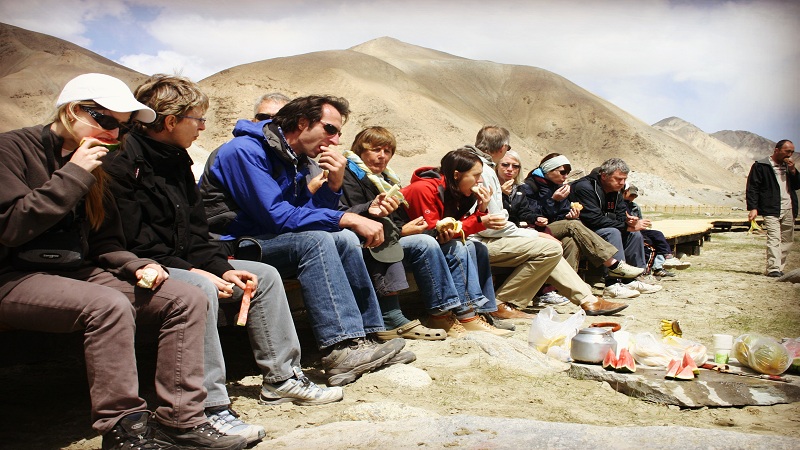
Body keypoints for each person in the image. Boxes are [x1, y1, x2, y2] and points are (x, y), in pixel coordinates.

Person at [0, 73, 245, 450]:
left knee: (186, 297)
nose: (115, 135)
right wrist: (75, 173)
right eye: (107, 121)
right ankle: (124, 429)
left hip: (77, 270)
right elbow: (12, 228)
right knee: (109, 305)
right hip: (16, 274)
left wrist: (136, 265)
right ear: (73, 110)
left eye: (122, 126)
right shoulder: (12, 150)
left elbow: (105, 239)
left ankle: (182, 420)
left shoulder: (96, 158)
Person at [104, 75, 343, 444]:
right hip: (135, 265)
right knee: (198, 288)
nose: (203, 127)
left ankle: (283, 377)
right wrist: (199, 271)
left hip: (177, 260)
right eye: (197, 119)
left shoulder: (175, 161)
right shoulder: (122, 164)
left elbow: (197, 234)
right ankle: (208, 408)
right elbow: (137, 243)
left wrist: (223, 268)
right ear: (171, 122)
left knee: (259, 276)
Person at [199, 95, 409, 387]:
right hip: (231, 245)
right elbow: (277, 216)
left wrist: (333, 185)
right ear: (301, 123)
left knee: (345, 239)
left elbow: (303, 213)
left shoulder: (292, 159)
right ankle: (340, 349)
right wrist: (345, 217)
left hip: (265, 238)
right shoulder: (244, 151)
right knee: (318, 240)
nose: (335, 140)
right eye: (330, 129)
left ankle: (367, 337)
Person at [404, 146, 629, 317]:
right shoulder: (431, 189)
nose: (480, 180)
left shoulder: (470, 190)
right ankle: (504, 302)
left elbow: (467, 223)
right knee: (551, 245)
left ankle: (587, 298)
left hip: (483, 237)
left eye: (515, 167)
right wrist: (487, 215)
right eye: (476, 175)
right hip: (472, 241)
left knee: (556, 243)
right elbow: (443, 230)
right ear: (456, 174)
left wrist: (482, 211)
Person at [340, 126, 509, 338]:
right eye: (375, 150)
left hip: (392, 237)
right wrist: (403, 230)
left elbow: (407, 220)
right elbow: (356, 215)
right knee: (433, 244)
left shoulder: (386, 179)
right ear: (360, 150)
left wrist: (480, 210)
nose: (382, 156)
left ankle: (479, 311)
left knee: (475, 247)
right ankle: (446, 314)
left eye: (387, 151)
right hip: (370, 241)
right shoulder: (351, 176)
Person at [499, 151, 642, 305]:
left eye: (515, 166)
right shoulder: (530, 186)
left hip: (548, 227)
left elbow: (557, 213)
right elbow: (528, 214)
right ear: (549, 170)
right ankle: (613, 264)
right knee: (577, 226)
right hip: (528, 229)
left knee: (571, 240)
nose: (566, 176)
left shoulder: (557, 186)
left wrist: (569, 214)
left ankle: (558, 290)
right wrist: (553, 200)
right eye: (562, 172)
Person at [569, 158, 662, 299]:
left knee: (634, 234)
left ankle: (632, 279)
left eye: (624, 179)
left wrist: (628, 222)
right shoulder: (585, 187)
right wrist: (625, 226)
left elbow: (619, 215)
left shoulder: (616, 190)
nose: (622, 183)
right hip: (584, 231)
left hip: (601, 228)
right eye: (618, 179)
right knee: (613, 232)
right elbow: (593, 220)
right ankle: (613, 284)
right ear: (604, 176)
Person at [746, 139, 799, 277]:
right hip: (771, 208)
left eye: (792, 152)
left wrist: (793, 170)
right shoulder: (761, 165)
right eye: (787, 151)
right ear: (777, 150)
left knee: (787, 239)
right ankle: (773, 269)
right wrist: (753, 208)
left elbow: (797, 185)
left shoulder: (789, 167)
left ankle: (779, 267)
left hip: (789, 207)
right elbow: (753, 187)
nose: (789, 155)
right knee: (774, 238)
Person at [622, 184, 690, 277]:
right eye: (631, 195)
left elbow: (639, 220)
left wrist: (643, 224)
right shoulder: (621, 204)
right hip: (627, 230)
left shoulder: (634, 206)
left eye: (634, 196)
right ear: (625, 192)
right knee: (651, 244)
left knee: (658, 236)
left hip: (637, 229)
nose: (632, 197)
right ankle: (647, 272)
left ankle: (664, 262)